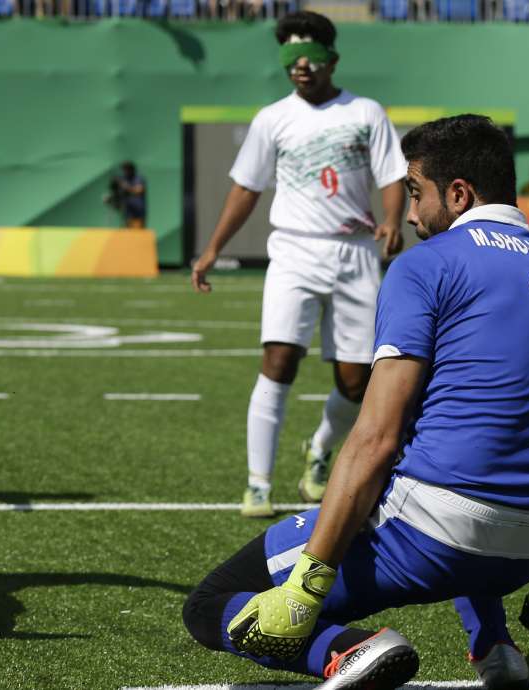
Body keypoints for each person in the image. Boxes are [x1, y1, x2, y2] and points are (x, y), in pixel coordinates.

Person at [182, 114, 529, 690]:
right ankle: (495, 647)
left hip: (431, 538)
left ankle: (345, 652)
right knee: (474, 434)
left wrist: (307, 585)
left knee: (211, 601)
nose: (410, 214)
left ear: (460, 194)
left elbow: (376, 437)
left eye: (416, 193)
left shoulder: (426, 264)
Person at [190, 11, 407, 518]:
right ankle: (258, 483)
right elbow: (246, 189)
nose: (300, 64)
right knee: (279, 361)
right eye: (289, 55)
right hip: (293, 250)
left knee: (357, 381)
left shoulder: (366, 112)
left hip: (355, 253)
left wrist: (392, 219)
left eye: (308, 53)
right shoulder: (273, 119)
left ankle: (318, 450)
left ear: (332, 57)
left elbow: (392, 175)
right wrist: (212, 249)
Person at [105, 161, 146, 229]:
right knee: (128, 232)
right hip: (128, 212)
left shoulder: (138, 179)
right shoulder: (124, 179)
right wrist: (111, 197)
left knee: (137, 233)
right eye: (124, 169)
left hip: (137, 212)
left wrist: (125, 186)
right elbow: (119, 193)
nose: (125, 171)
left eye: (127, 169)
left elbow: (139, 190)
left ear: (132, 169)